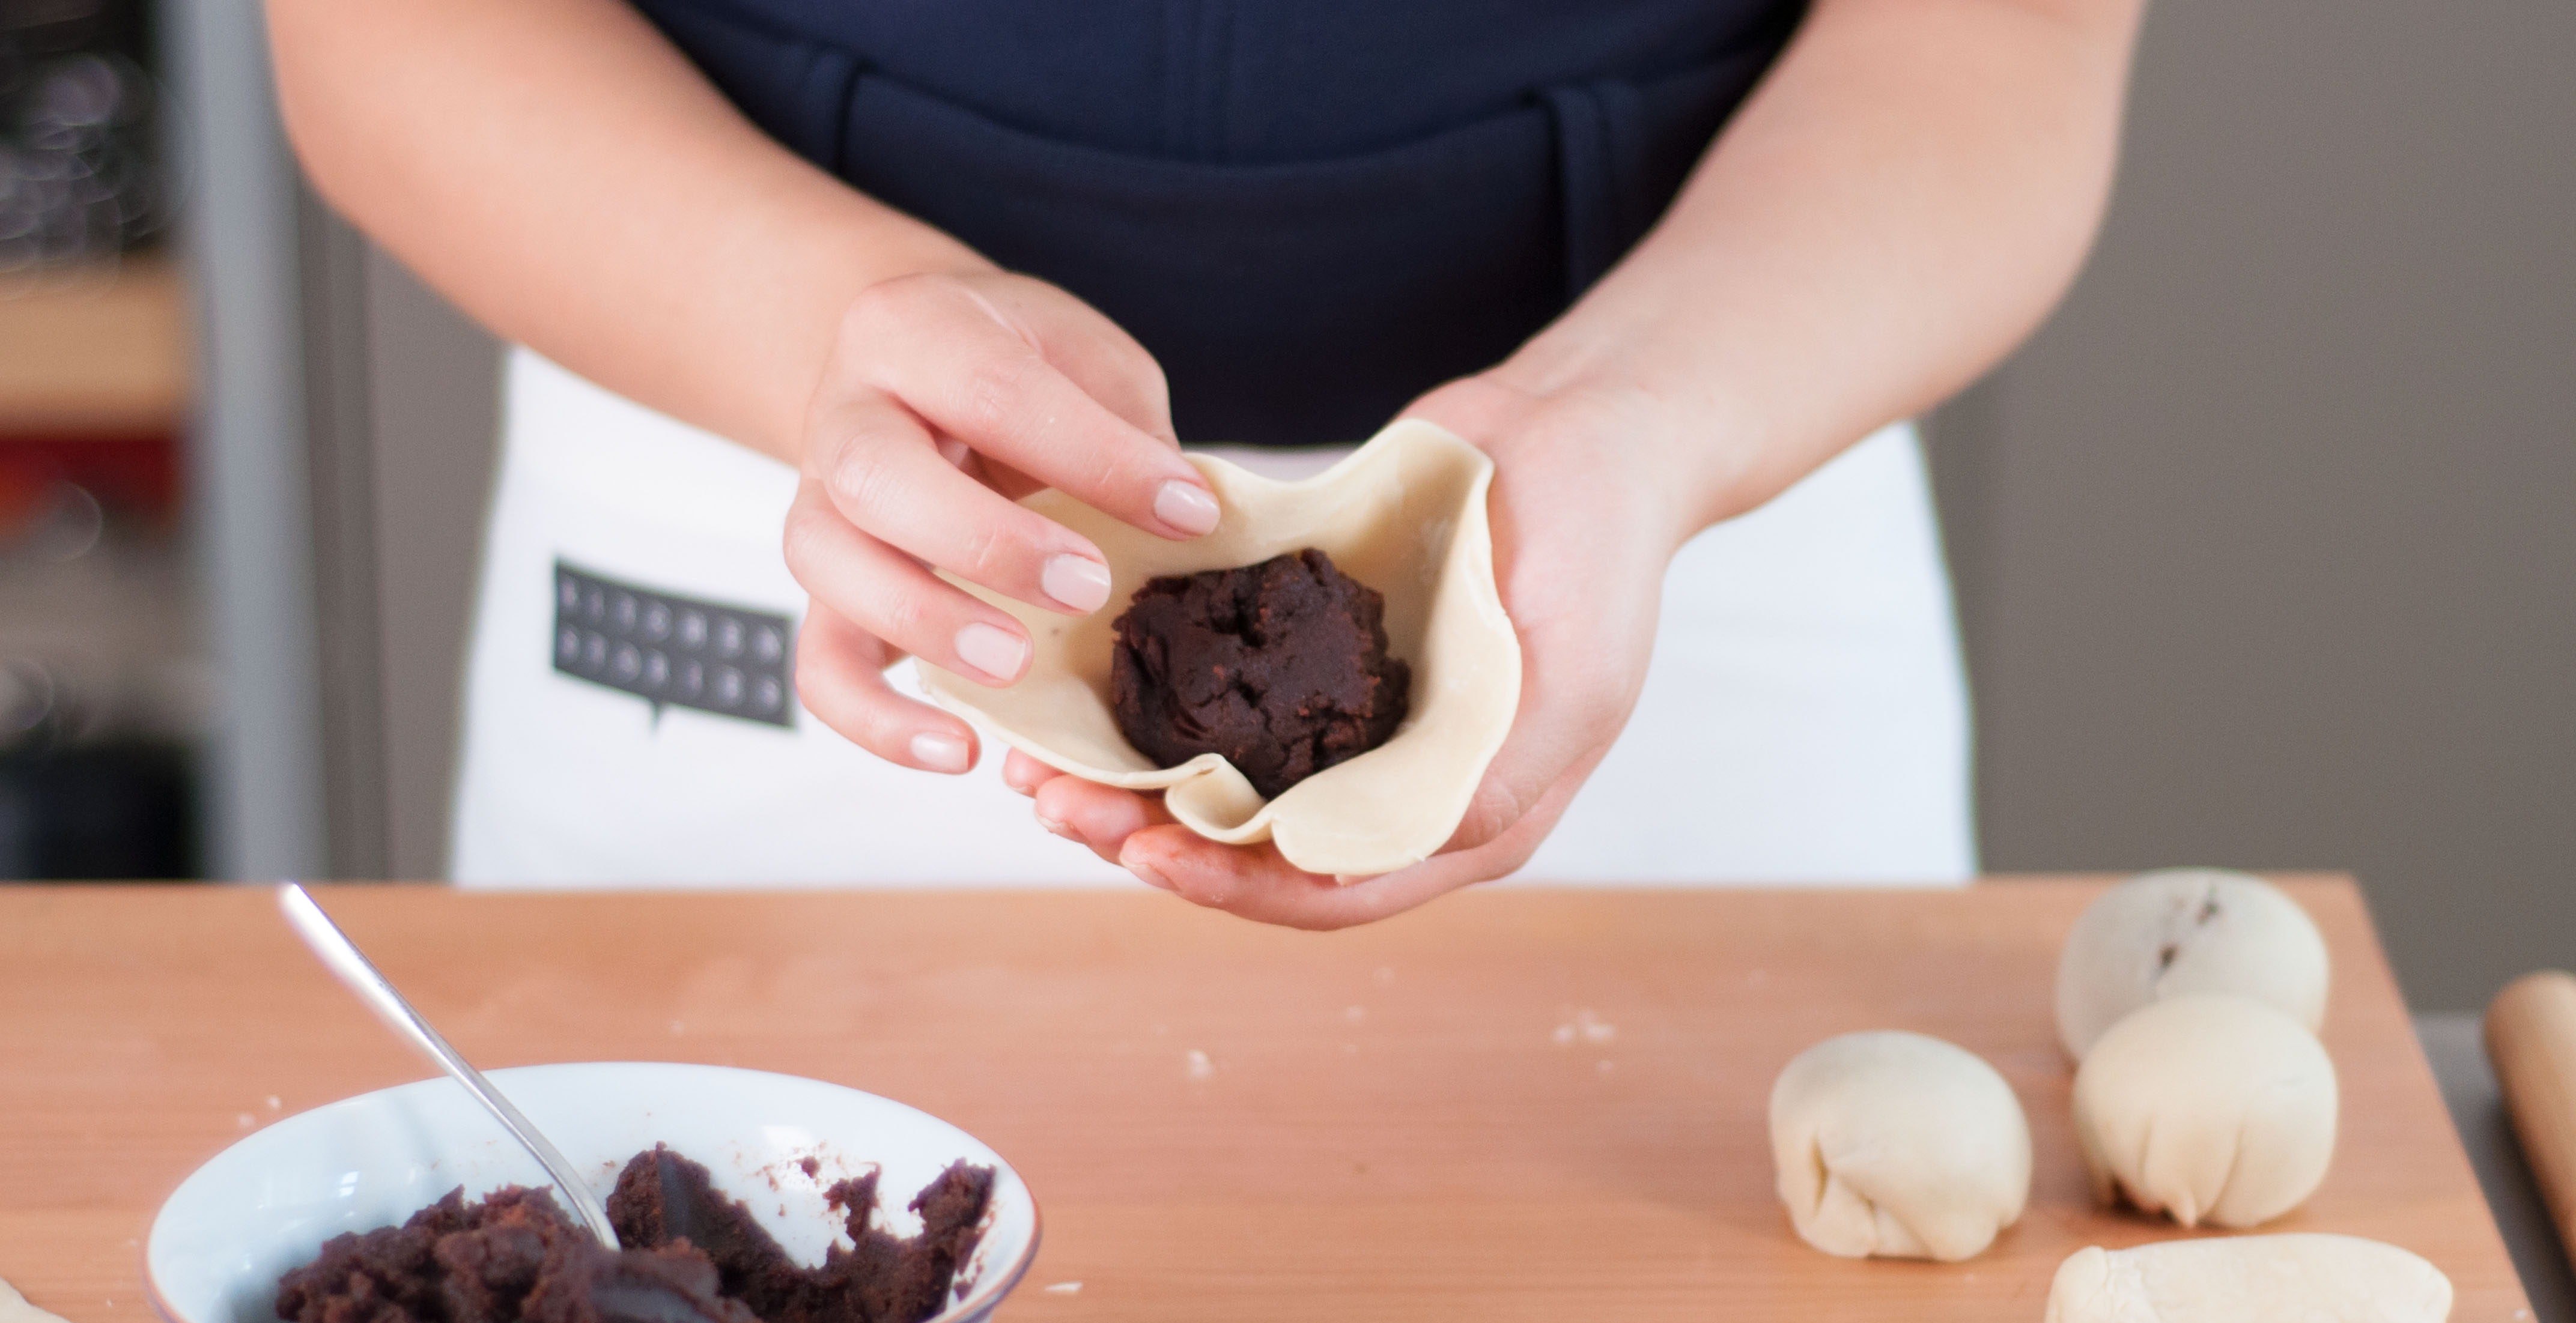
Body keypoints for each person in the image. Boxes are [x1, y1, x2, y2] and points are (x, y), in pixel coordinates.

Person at [267, 0, 2144, 926]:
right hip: (800, 471)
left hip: (1681, 482)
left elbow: (1988, 38)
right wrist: (836, 320)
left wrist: (1651, 415)